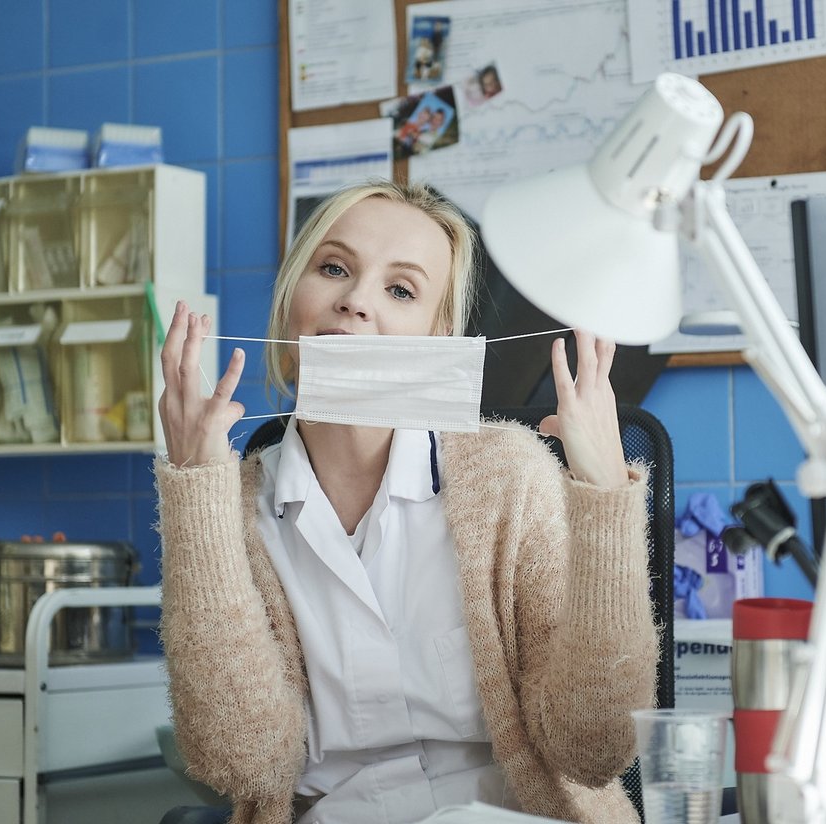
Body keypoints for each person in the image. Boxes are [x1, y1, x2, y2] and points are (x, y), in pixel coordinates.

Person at [155, 180, 658, 824]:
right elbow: (240, 767)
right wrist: (198, 492)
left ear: (438, 334)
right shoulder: (231, 512)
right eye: (333, 268)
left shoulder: (509, 476)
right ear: (290, 304)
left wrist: (605, 497)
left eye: (401, 290)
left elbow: (592, 750)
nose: (356, 302)